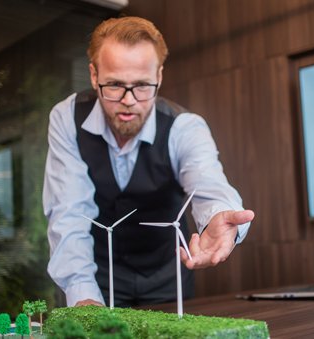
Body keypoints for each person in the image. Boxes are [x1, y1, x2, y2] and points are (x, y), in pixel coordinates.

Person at [43, 16, 254, 308]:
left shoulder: (184, 127)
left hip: (166, 278)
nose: (129, 100)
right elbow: (68, 214)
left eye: (142, 85)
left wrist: (219, 214)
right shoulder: (67, 119)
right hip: (94, 275)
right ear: (94, 76)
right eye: (115, 85)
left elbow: (209, 182)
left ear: (159, 77)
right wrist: (83, 295)